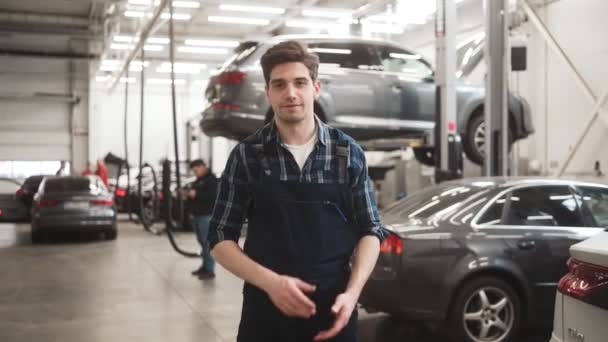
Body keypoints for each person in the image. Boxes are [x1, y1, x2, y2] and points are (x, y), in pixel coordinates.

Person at [208, 41, 387, 342]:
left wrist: (353, 293)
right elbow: (219, 238)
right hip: (266, 317)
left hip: (334, 313)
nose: (290, 93)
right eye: (279, 84)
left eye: (300, 83)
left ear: (316, 88)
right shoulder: (247, 156)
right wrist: (272, 283)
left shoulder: (347, 153)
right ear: (268, 93)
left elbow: (371, 231)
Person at [181, 159, 218, 279]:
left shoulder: (212, 181)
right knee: (203, 244)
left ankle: (210, 270)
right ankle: (205, 266)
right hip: (198, 216)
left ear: (203, 167)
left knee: (207, 244)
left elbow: (212, 197)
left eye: (196, 170)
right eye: (194, 171)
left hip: (207, 216)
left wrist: (195, 194)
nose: (195, 173)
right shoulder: (199, 180)